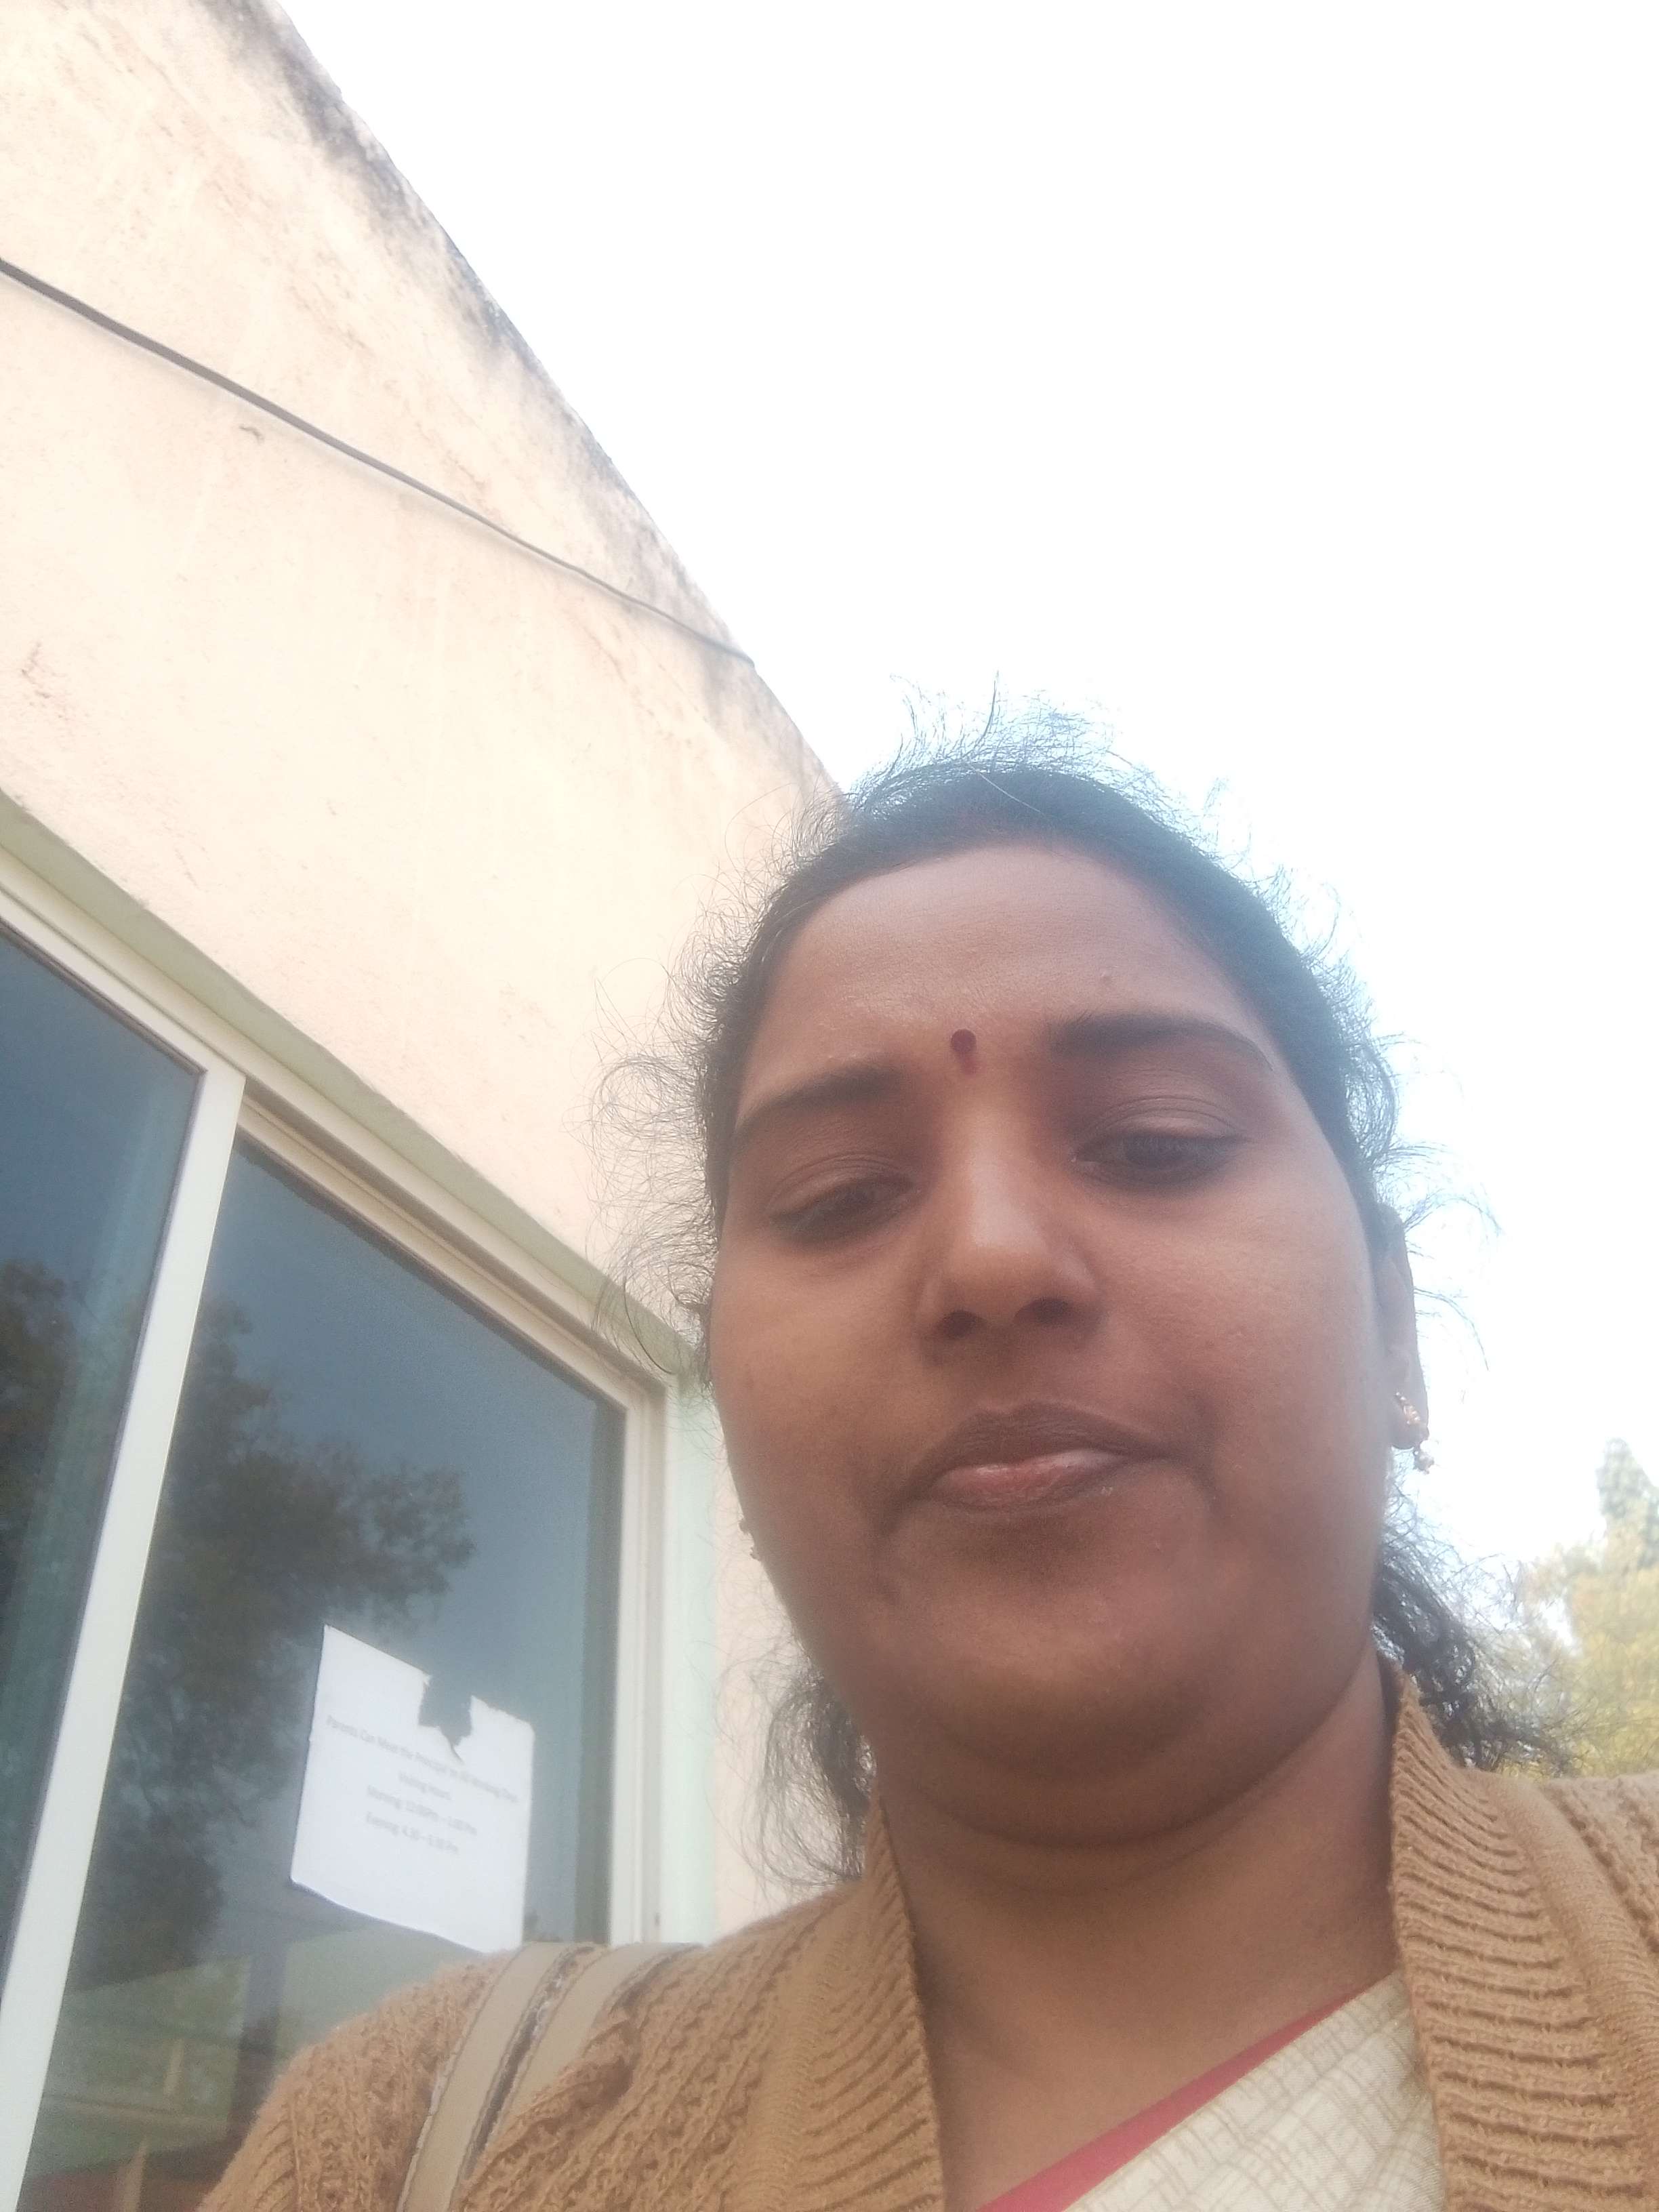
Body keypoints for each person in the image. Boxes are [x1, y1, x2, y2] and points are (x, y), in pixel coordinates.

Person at [209, 730, 1659, 2212]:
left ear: (1396, 1331)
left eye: (1154, 1142)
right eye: (840, 1197)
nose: (990, 1256)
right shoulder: (415, 2144)